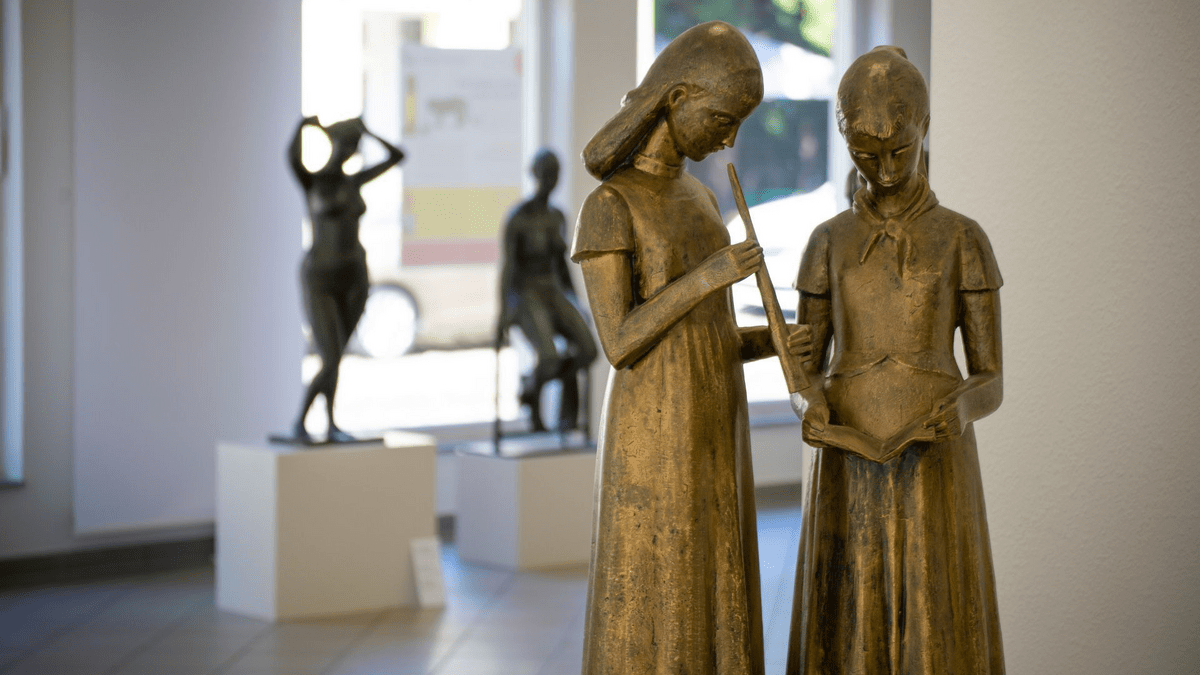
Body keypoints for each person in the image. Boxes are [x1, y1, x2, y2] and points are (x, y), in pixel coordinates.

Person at [571, 20, 791, 675]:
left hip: (714, 421)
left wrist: (774, 341)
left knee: (715, 576)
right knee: (660, 583)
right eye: (722, 119)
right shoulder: (610, 205)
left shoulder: (700, 198)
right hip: (653, 431)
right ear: (676, 98)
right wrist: (708, 276)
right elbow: (620, 342)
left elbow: (707, 340)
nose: (729, 139)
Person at [786, 46, 1005, 673]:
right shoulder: (826, 242)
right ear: (844, 140)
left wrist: (960, 410)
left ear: (925, 128)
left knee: (934, 615)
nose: (882, 171)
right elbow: (805, 370)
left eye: (898, 151)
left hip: (932, 455)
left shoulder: (962, 238)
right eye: (864, 154)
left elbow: (991, 378)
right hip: (848, 451)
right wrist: (808, 405)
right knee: (846, 614)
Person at [284, 116, 404, 443]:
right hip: (321, 276)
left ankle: (331, 422)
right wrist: (305, 126)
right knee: (331, 355)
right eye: (346, 144)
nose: (350, 151)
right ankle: (301, 421)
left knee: (338, 354)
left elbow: (397, 156)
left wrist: (370, 131)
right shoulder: (313, 180)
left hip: (354, 275)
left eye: (355, 146)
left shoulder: (354, 181)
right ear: (333, 143)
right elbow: (291, 157)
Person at [497, 149, 598, 433]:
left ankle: (537, 391)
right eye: (546, 173)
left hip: (553, 290)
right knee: (550, 357)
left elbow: (562, 265)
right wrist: (504, 313)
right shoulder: (518, 218)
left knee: (588, 350)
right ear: (535, 175)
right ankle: (534, 399)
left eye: (555, 174)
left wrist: (576, 301)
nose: (550, 180)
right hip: (527, 294)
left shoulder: (557, 217)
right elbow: (509, 268)